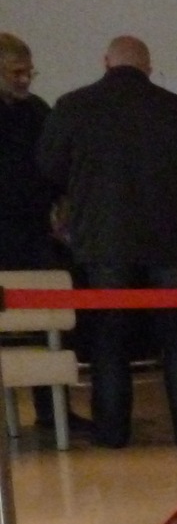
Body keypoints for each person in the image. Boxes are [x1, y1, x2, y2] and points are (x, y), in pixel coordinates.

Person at [36, 36, 177, 447]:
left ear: (106, 62)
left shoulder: (73, 106)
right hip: (173, 241)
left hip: (104, 239)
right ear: (148, 67)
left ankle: (112, 431)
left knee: (109, 338)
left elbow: (49, 167)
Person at [0, 32, 81, 434]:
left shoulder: (37, 110)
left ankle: (54, 412)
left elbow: (58, 163)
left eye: (29, 72)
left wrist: (63, 202)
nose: (25, 80)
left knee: (50, 321)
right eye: (16, 72)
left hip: (34, 231)